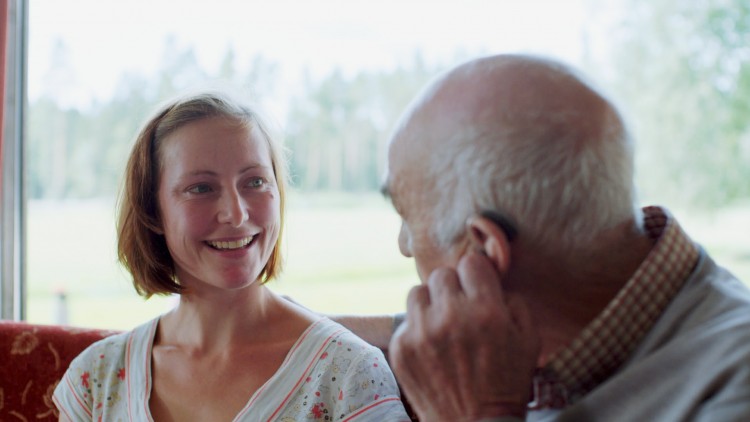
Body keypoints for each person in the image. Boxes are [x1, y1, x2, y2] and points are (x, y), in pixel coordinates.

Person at [347, 53, 750, 421]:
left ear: (485, 250)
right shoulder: (566, 326)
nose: (405, 246)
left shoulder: (732, 391)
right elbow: (431, 329)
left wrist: (482, 414)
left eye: (406, 216)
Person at [52, 91, 410, 421]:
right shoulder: (95, 381)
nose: (236, 214)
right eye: (201, 188)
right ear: (153, 211)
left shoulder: (350, 374)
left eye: (254, 182)